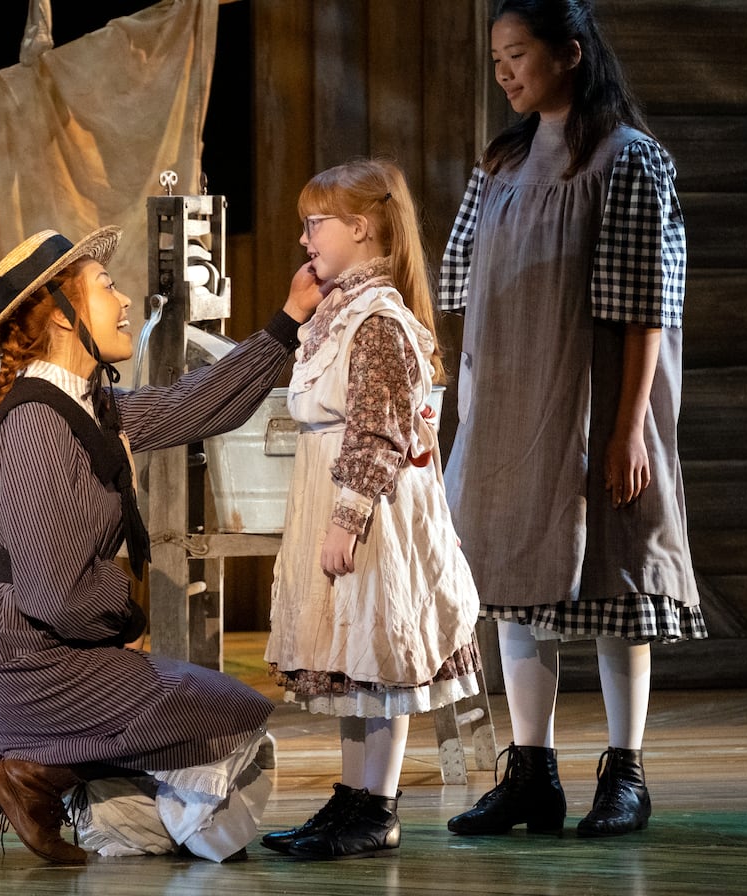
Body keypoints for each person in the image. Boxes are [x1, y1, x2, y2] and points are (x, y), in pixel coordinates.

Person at [0, 226, 323, 864]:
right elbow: (55, 596)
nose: (124, 301)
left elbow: (192, 406)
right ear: (63, 315)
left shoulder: (88, 406)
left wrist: (287, 322)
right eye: (106, 287)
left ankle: (3, 767)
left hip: (48, 645)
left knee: (220, 717)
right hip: (24, 660)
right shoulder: (36, 428)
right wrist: (126, 615)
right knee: (226, 717)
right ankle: (19, 770)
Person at [440, 0, 707, 840]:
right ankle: (532, 774)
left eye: (518, 54)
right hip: (509, 402)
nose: (504, 72)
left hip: (594, 403)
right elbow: (460, 286)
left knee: (613, 580)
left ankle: (626, 774)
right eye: (496, 58)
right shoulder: (502, 164)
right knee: (516, 583)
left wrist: (626, 430)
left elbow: (646, 307)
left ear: (571, 54)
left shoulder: (628, 160)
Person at [261, 158, 483, 860]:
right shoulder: (339, 312)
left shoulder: (378, 320)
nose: (305, 239)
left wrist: (347, 516)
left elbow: (379, 429)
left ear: (360, 227)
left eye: (315, 224)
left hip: (371, 509)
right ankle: (353, 797)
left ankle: (378, 806)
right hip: (334, 494)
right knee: (348, 658)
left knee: (376, 653)